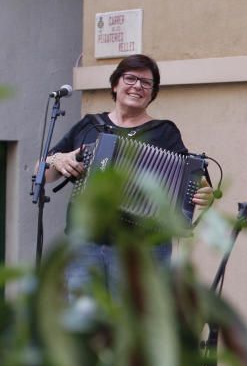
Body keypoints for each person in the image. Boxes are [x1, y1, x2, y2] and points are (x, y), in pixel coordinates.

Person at [43, 54, 214, 293]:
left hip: (140, 250)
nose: (137, 86)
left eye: (146, 83)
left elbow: (193, 179)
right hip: (84, 245)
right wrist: (56, 159)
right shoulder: (89, 125)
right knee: (85, 323)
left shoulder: (164, 132)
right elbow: (45, 176)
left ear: (152, 93)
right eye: (130, 78)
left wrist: (204, 192)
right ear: (115, 84)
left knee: (134, 326)